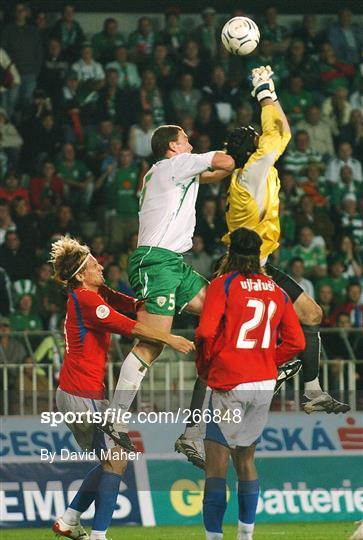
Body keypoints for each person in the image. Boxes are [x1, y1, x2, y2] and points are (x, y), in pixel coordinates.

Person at [99, 122, 235, 459]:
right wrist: (244, 153)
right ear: (172, 147)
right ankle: (114, 419)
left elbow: (216, 175)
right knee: (151, 343)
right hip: (156, 261)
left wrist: (242, 160)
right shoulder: (174, 165)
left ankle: (193, 429)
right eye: (185, 139)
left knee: (224, 314)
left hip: (174, 264)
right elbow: (224, 163)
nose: (191, 142)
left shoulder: (173, 172)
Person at [49, 236, 194, 540]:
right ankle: (98, 534)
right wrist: (171, 339)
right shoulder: (86, 300)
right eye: (93, 265)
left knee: (112, 459)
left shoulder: (95, 293)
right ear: (80, 276)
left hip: (81, 393)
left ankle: (69, 520)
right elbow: (129, 326)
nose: (100, 266)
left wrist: (160, 304)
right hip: (80, 394)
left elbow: (130, 305)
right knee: (117, 458)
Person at [223, 65, 349, 414]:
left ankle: (311, 391)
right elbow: (280, 131)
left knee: (312, 313)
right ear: (251, 149)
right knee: (257, 340)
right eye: (254, 137)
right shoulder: (254, 170)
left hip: (258, 264)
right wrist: (265, 90)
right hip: (248, 272)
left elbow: (277, 132)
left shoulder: (250, 172)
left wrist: (269, 96)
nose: (259, 137)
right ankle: (263, 379)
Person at [198, 227, 305, 540]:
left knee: (216, 466)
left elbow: (205, 333)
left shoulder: (222, 285)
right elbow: (297, 341)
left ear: (230, 253)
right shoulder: (275, 290)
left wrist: (207, 365)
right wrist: (268, 360)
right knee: (245, 460)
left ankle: (214, 537)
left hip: (230, 381)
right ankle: (246, 535)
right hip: (262, 385)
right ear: (258, 255)